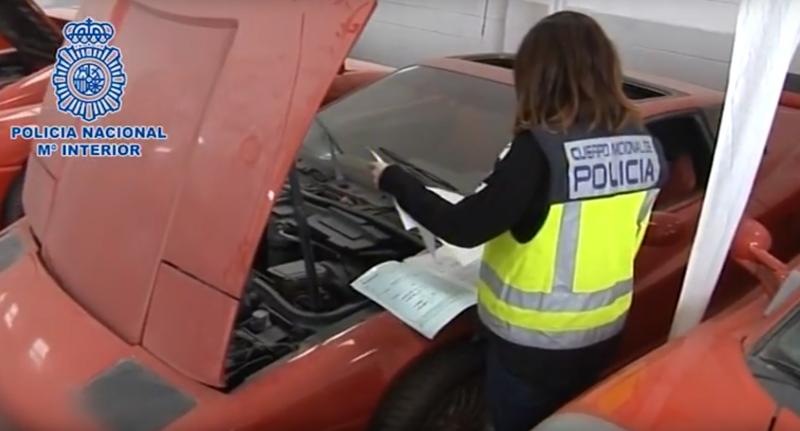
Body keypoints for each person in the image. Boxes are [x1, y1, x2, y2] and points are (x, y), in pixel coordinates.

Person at [371, 10, 668, 431]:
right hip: (602, 331)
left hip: (533, 344)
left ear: (539, 76)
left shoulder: (540, 151)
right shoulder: (644, 144)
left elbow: (464, 228)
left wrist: (395, 180)